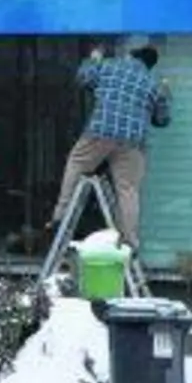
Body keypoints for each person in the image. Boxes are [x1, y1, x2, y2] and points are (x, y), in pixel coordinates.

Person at [48, 41, 172, 250]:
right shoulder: (152, 84)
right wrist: (166, 94)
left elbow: (83, 78)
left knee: (77, 163)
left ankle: (61, 216)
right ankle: (129, 242)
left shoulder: (110, 66)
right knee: (128, 190)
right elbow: (162, 120)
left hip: (101, 132)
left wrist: (94, 58)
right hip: (132, 142)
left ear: (132, 56)